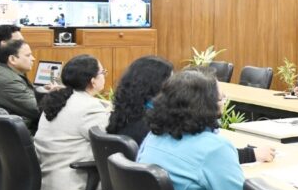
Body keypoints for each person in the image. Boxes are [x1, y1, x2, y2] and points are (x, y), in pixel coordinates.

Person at [107, 56, 273, 163]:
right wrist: (251, 155)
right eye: (171, 80)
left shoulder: (129, 113)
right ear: (155, 85)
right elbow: (196, 153)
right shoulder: (152, 128)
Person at [33, 55, 109, 190]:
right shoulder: (89, 107)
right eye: (102, 72)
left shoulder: (57, 101)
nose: (104, 76)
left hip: (46, 182)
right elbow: (111, 143)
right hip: (74, 189)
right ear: (93, 81)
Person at [0, 40, 39, 132]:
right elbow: (37, 110)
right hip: (9, 135)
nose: (33, 58)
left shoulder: (5, 72)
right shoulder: (9, 81)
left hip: (3, 131)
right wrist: (56, 95)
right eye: (28, 55)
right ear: (12, 59)